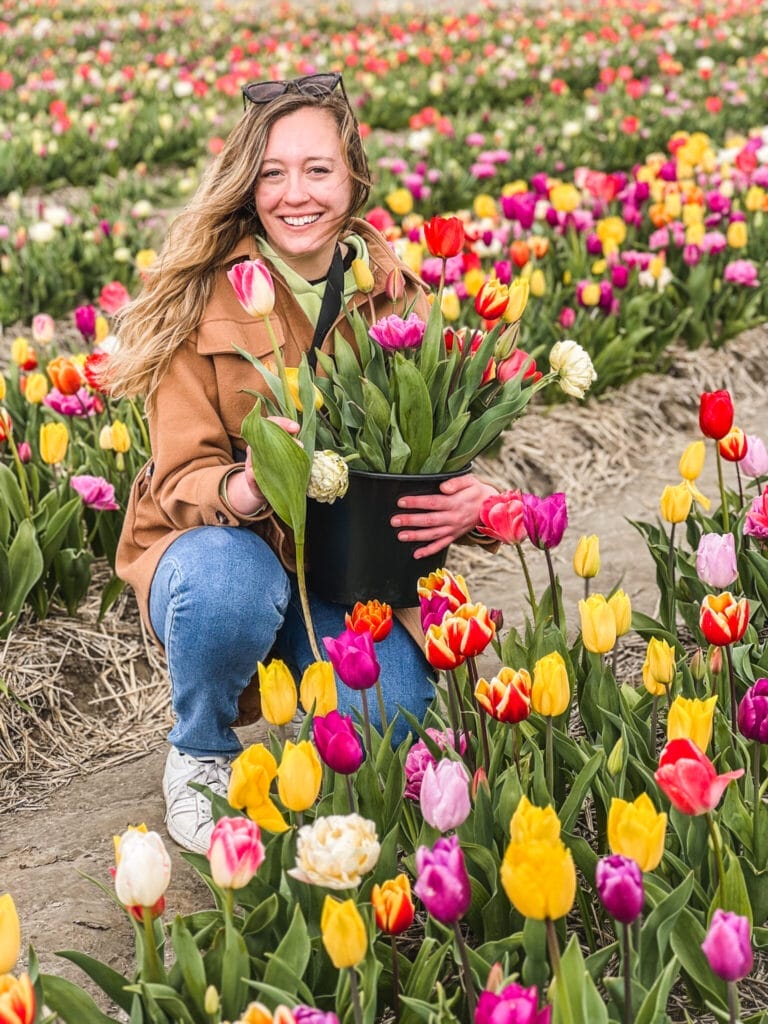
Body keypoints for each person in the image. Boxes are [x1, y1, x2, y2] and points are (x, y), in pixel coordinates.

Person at [105, 73, 498, 854]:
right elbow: (179, 483)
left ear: (353, 176)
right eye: (274, 172)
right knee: (230, 587)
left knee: (388, 722)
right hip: (221, 554)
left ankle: (310, 722)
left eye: (317, 169)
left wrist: (476, 503)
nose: (296, 194)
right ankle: (203, 748)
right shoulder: (199, 301)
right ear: (249, 186)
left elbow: (435, 456)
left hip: (345, 576)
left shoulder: (402, 304)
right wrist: (252, 485)